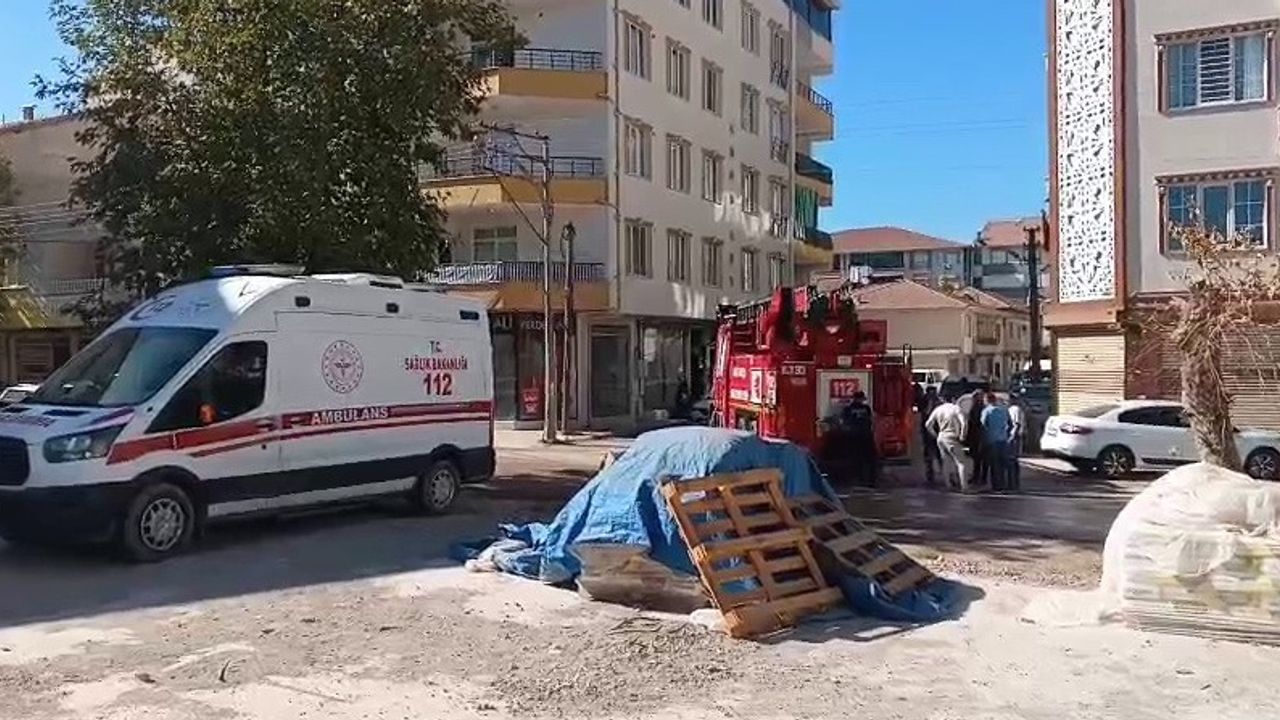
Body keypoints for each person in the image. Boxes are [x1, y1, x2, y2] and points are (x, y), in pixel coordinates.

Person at [925, 393, 971, 491]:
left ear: (943, 399)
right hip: (952, 436)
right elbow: (964, 423)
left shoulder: (938, 409)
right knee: (961, 462)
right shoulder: (956, 409)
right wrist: (962, 436)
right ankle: (964, 486)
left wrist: (935, 435)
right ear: (953, 399)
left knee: (946, 462)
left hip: (941, 437)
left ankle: (948, 485)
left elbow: (928, 424)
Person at [840, 390, 879, 487]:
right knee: (868, 459)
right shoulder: (865, 408)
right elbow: (871, 420)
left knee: (859, 459)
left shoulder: (849, 409)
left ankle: (862, 479)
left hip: (856, 436)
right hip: (863, 435)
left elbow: (845, 422)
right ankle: (869, 480)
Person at [979, 392, 1012, 491]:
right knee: (1002, 464)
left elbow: (983, 425)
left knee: (994, 464)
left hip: (991, 440)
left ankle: (996, 486)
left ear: (987, 400)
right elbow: (1009, 424)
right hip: (1003, 439)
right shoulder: (1004, 410)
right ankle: (1003, 484)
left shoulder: (987, 411)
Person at [918, 385, 943, 486]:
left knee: (936, 454)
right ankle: (932, 476)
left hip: (934, 431)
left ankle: (942, 475)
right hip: (932, 432)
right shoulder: (931, 401)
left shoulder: (936, 402)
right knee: (933, 455)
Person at [965, 390, 987, 487]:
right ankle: (979, 477)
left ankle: (979, 477)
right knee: (979, 459)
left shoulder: (977, 408)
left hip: (977, 435)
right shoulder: (981, 408)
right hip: (978, 436)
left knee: (978, 458)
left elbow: (972, 423)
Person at [1007, 396, 1026, 492]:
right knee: (1013, 461)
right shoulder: (1015, 409)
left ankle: (1013, 484)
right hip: (1015, 436)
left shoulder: (1015, 409)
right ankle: (1013, 483)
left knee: (1012, 460)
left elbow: (1017, 424)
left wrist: (1012, 436)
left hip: (1014, 437)